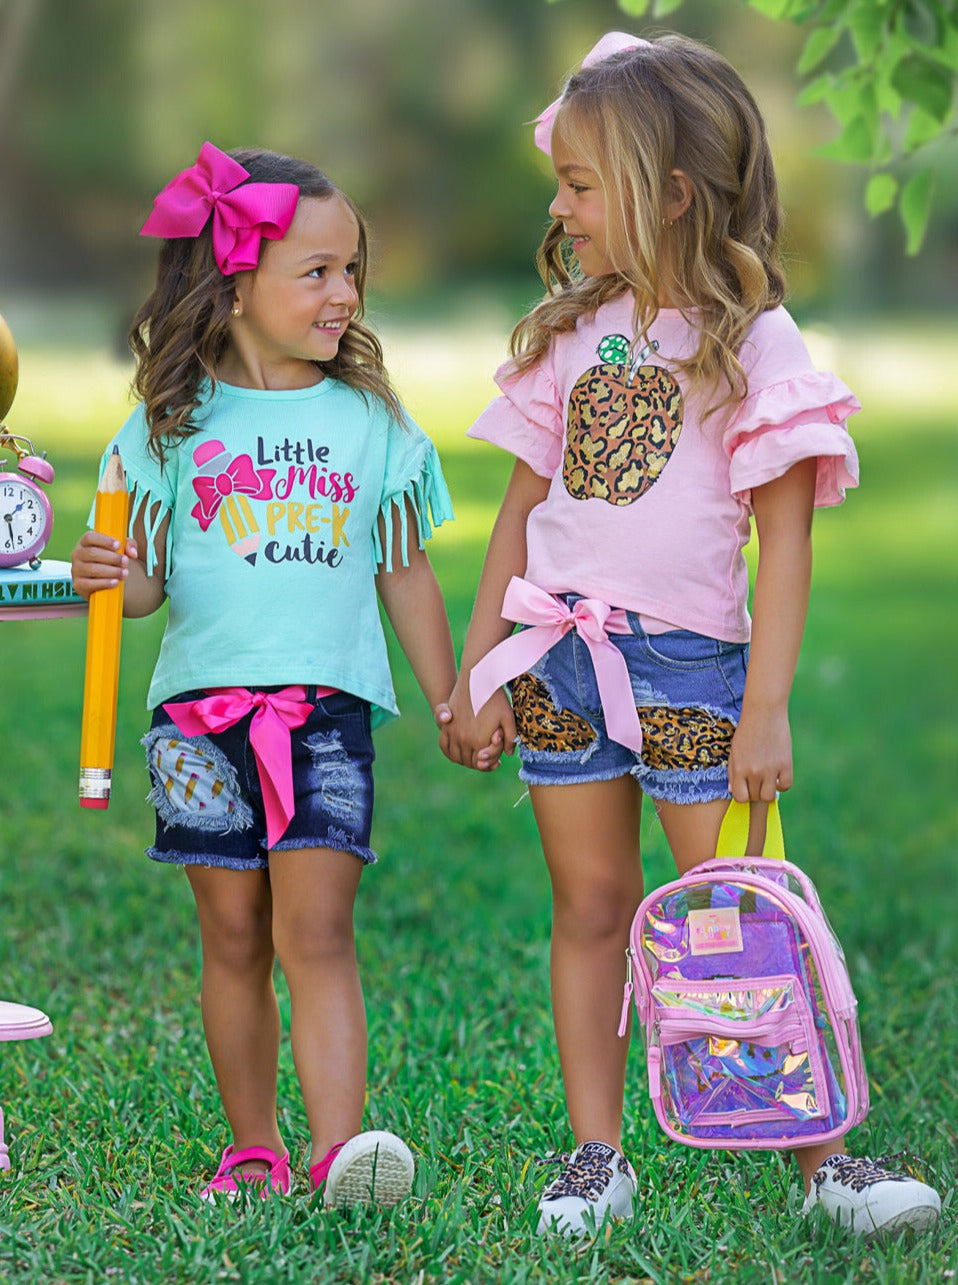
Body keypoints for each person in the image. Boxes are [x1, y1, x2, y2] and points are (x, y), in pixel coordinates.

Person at [438, 33, 941, 1239]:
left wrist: (763, 708)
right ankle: (595, 1156)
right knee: (588, 904)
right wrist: (476, 668)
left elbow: (785, 546)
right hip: (557, 659)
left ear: (666, 191)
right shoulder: (570, 332)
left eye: (579, 184)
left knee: (734, 913)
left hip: (689, 674)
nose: (559, 208)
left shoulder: (756, 343)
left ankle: (825, 1161)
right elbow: (521, 510)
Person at [72, 142, 457, 1206]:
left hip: (323, 716)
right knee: (234, 935)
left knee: (316, 930)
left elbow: (404, 568)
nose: (345, 294)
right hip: (194, 726)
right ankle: (254, 1148)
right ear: (232, 285)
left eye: (352, 270)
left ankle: (339, 1153)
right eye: (317, 271)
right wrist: (108, 570)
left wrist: (451, 694)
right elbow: (144, 587)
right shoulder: (167, 426)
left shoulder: (368, 423)